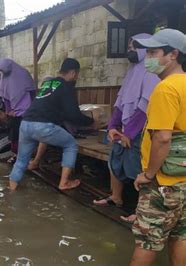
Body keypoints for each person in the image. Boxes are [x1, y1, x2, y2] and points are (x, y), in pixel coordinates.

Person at [128, 29, 186, 266]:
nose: (148, 57)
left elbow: (162, 138)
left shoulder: (165, 89)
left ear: (173, 54)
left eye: (154, 51)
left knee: (147, 241)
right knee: (181, 235)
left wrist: (148, 175)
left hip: (163, 184)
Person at [93, 34, 160, 223]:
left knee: (138, 169)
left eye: (135, 46)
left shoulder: (151, 72)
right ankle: (116, 197)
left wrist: (128, 133)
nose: (130, 49)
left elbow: (144, 107)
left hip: (138, 131)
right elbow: (121, 100)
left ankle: (141, 211)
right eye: (129, 46)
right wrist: (113, 126)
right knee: (114, 161)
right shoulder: (132, 70)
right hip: (123, 128)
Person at [9, 58, 94, 191]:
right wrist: (92, 122)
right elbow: (73, 114)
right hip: (42, 126)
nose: (76, 77)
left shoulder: (48, 83)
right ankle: (64, 182)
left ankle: (12, 189)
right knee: (71, 144)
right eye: (77, 74)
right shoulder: (67, 86)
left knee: (21, 160)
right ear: (72, 73)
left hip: (25, 123)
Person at [0, 58, 37, 163]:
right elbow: (5, 98)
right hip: (15, 114)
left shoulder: (22, 74)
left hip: (25, 112)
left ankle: (24, 158)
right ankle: (19, 157)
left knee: (22, 137)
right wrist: (8, 111)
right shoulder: (5, 77)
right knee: (15, 136)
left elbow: (32, 91)